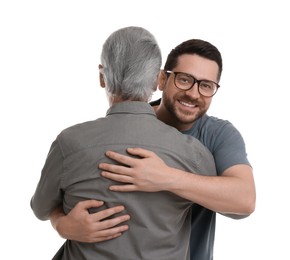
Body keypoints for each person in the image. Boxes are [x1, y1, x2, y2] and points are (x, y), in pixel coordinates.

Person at [49, 38, 256, 260]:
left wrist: (166, 178)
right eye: (184, 80)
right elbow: (59, 196)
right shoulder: (125, 125)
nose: (194, 94)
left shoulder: (218, 135)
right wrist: (62, 224)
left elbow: (244, 200)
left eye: (206, 86)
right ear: (161, 79)